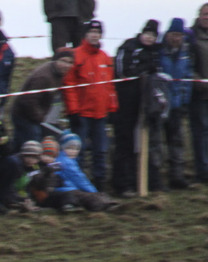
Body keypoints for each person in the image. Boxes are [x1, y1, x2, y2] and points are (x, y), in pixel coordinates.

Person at [63, 20, 116, 192]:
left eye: (97, 32)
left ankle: (99, 186)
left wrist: (112, 107)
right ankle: (77, 187)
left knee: (100, 151)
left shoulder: (105, 57)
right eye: (91, 32)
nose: (94, 35)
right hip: (81, 114)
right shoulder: (75, 55)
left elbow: (109, 85)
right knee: (77, 151)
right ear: (85, 34)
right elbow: (69, 84)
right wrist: (73, 111)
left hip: (100, 114)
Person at [113, 20, 162, 197]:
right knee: (125, 142)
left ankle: (143, 182)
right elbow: (122, 72)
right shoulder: (129, 47)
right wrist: (142, 70)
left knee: (144, 142)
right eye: (147, 34)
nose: (149, 38)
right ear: (142, 33)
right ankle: (122, 185)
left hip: (145, 104)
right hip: (125, 103)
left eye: (153, 36)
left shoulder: (156, 51)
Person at [11, 48, 74, 152]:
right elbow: (29, 100)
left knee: (21, 143)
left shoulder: (59, 74)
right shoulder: (44, 77)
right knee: (32, 145)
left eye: (70, 62)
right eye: (63, 61)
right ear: (55, 60)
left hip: (35, 115)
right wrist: (39, 118)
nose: (66, 65)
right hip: (24, 115)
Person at [158, 18, 193, 189]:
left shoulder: (186, 53)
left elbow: (187, 78)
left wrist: (185, 101)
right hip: (160, 105)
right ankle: (157, 178)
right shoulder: (159, 51)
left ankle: (177, 177)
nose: (176, 38)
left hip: (177, 104)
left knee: (177, 142)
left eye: (179, 35)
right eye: (173, 34)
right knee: (158, 143)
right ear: (167, 34)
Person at [51, 131, 119, 211]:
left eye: (76, 149)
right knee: (87, 196)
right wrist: (93, 192)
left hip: (64, 190)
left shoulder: (62, 159)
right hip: (67, 189)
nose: (73, 151)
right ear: (62, 148)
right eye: (69, 148)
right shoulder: (67, 162)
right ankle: (102, 205)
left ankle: (105, 203)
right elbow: (79, 179)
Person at [190, 4, 208, 183]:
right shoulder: (192, 36)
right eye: (205, 14)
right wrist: (200, 82)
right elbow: (188, 65)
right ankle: (203, 171)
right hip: (200, 94)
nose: (207, 17)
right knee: (201, 133)